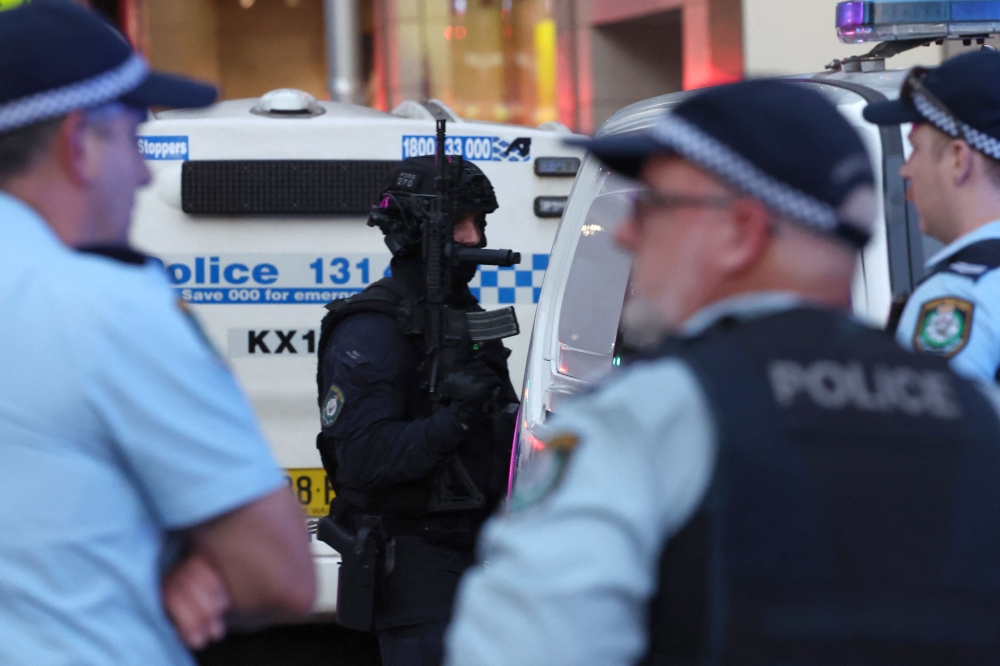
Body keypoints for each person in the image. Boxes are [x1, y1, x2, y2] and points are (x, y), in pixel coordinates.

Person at [445, 80, 1000, 665]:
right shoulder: (974, 414)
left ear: (741, 232)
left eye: (655, 205)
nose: (627, 233)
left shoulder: (644, 419)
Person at [0, 2, 315, 664]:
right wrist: (176, 562)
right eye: (133, 137)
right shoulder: (103, 306)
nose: (144, 174)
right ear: (78, 143)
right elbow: (281, 575)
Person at [316, 155, 519, 666]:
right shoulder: (373, 330)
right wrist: (455, 419)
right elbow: (364, 458)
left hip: (482, 561)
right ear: (413, 232)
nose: (474, 238)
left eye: (479, 222)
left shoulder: (465, 315)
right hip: (417, 573)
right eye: (459, 224)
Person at [864, 51, 1000, 382]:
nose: (906, 170)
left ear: (958, 160)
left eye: (916, 149)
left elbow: (930, 416)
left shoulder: (959, 296)